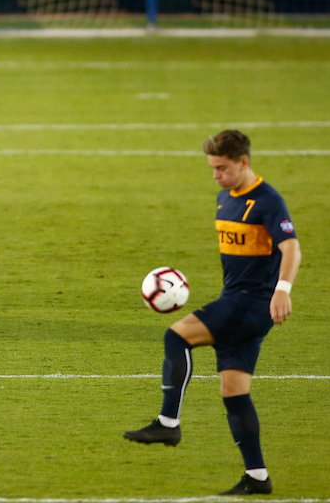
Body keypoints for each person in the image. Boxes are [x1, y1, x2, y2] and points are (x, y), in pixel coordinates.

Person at [124, 129, 301, 497]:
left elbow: (291, 248)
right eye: (212, 168)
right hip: (237, 299)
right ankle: (257, 477)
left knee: (176, 335)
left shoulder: (267, 201)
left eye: (222, 168)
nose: (217, 176)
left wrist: (282, 290)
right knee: (234, 393)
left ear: (243, 162)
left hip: (253, 303)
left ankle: (167, 422)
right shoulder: (225, 198)